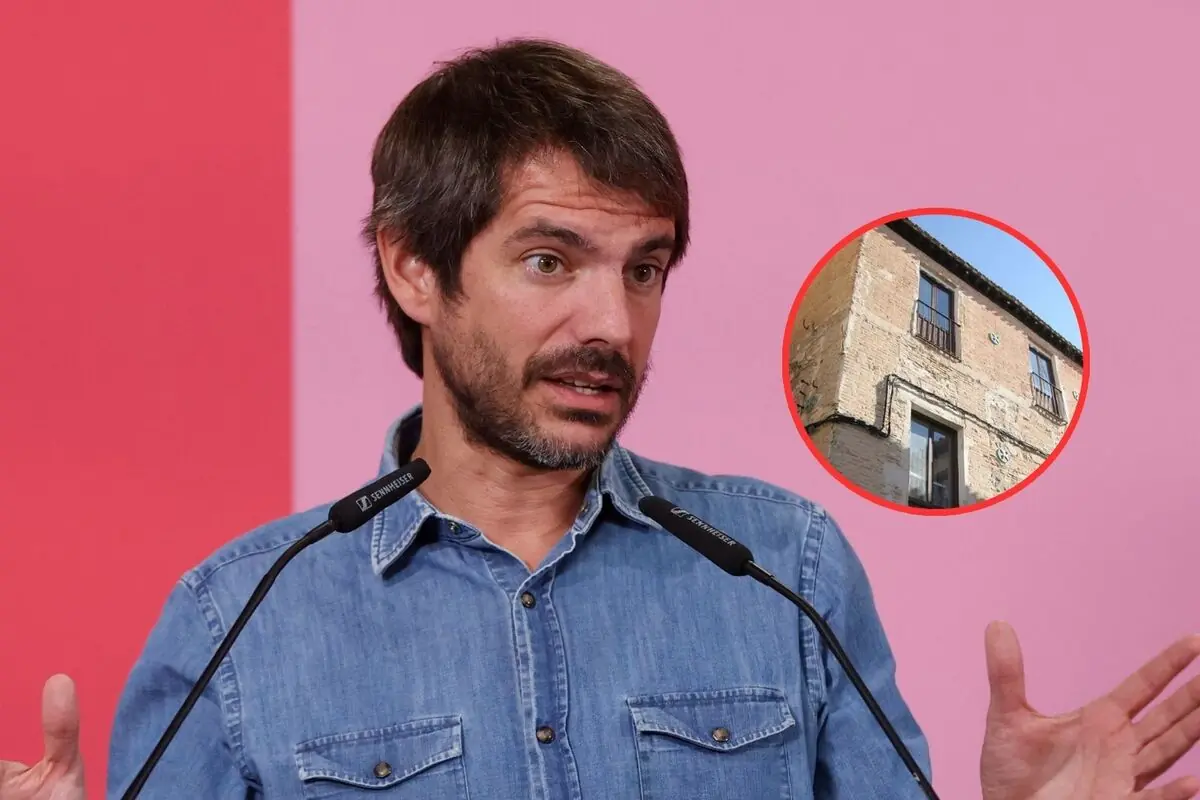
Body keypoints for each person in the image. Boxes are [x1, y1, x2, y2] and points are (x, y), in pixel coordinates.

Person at [3, 38, 1199, 800]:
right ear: (415, 268)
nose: (613, 326)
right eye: (548, 259)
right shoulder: (235, 618)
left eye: (645, 268)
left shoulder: (787, 569)